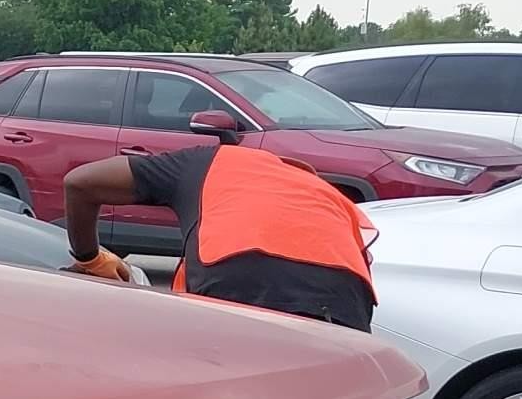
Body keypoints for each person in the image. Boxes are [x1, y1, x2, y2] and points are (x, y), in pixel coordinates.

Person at [61, 126, 376, 330]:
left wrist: (91, 259)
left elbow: (79, 183)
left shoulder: (204, 162)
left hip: (238, 280)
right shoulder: (323, 192)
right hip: (346, 302)